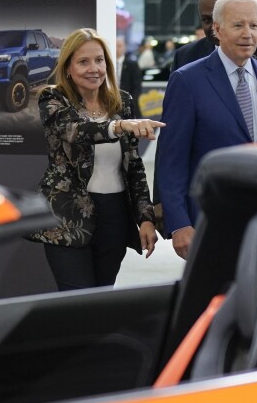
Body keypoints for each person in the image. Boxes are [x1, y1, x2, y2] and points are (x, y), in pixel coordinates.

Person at [158, 0, 257, 259]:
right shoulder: (188, 81)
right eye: (238, 25)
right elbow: (171, 160)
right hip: (209, 221)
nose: (248, 34)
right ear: (217, 29)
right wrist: (179, 224)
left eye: (254, 25)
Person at [28, 28, 164, 290]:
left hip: (114, 215)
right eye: (83, 62)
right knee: (77, 303)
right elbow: (77, 131)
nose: (94, 68)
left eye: (99, 60)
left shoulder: (122, 102)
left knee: (101, 299)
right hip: (67, 218)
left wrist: (146, 217)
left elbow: (134, 167)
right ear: (68, 68)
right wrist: (119, 126)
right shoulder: (53, 98)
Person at [116, 34, 142, 115]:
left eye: (119, 46)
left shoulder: (132, 64)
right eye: (115, 46)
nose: (117, 48)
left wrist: (130, 102)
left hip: (129, 105)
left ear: (125, 47)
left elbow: (137, 86)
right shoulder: (107, 64)